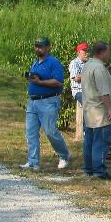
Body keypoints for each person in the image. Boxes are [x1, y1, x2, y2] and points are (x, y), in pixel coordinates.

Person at [20, 37, 71, 172]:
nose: (38, 49)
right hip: (33, 101)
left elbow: (59, 82)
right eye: (36, 46)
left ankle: (64, 155)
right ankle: (33, 162)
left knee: (50, 131)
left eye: (41, 46)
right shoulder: (35, 63)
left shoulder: (53, 62)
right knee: (31, 132)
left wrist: (40, 82)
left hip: (48, 101)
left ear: (48, 47)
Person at [80, 41, 111, 179]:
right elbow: (104, 92)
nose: (109, 54)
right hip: (99, 111)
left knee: (89, 141)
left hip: (89, 109)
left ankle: (88, 169)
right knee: (101, 141)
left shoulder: (88, 65)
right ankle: (99, 170)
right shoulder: (99, 68)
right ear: (102, 53)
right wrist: (109, 108)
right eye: (108, 52)